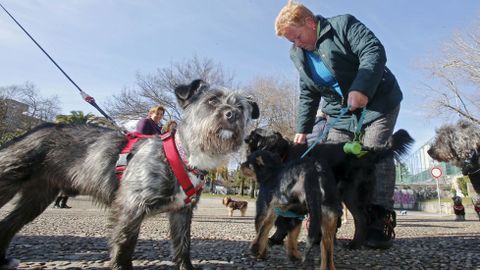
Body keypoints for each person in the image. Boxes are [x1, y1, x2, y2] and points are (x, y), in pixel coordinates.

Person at [275, 1, 403, 249]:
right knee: (329, 162)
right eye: (291, 41)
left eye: (298, 36)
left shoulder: (343, 25)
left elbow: (372, 51)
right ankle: (329, 216)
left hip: (377, 101)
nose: (297, 44)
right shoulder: (297, 54)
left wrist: (361, 87)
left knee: (373, 155)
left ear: (310, 23)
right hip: (340, 113)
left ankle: (378, 220)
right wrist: (302, 128)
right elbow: (307, 91)